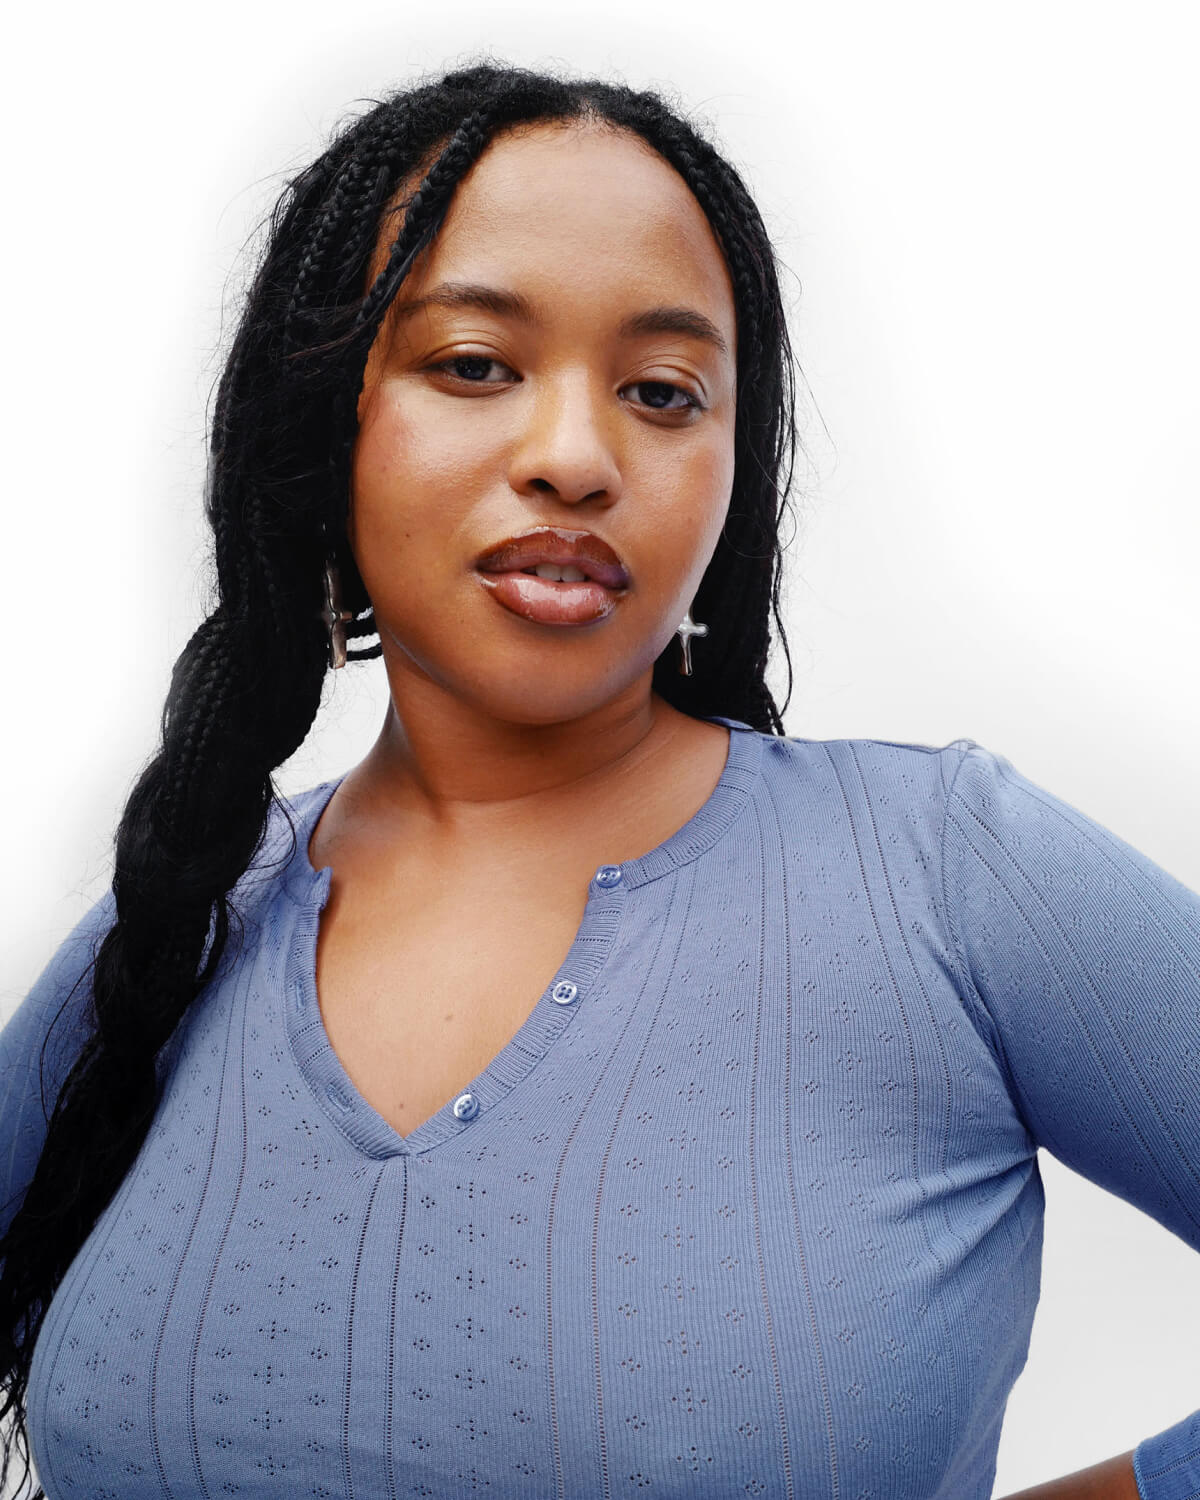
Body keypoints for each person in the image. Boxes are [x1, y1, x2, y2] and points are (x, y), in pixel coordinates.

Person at [0, 58, 1196, 1500]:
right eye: (474, 365)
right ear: (323, 424)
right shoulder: (169, 936)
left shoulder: (942, 881)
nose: (575, 457)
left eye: (663, 391)